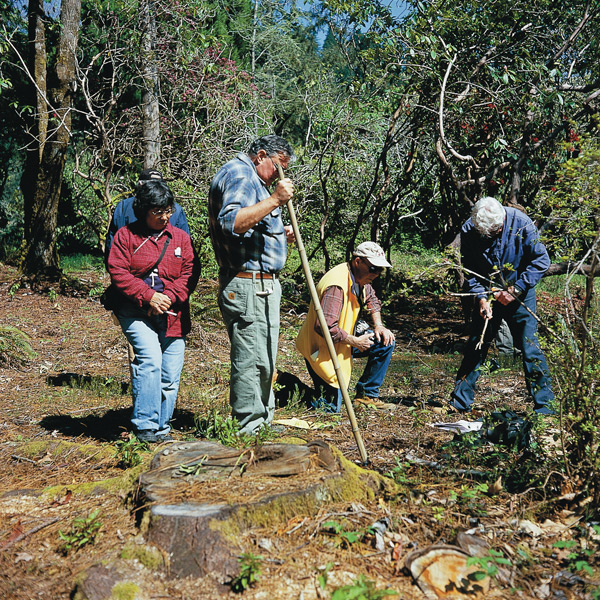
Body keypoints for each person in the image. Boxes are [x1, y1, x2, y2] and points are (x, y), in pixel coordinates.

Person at [208, 134, 295, 435]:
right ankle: (249, 427)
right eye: (278, 167)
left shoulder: (250, 179)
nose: (279, 176)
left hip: (260, 283)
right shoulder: (243, 175)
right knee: (251, 358)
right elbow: (231, 222)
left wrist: (278, 235)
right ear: (261, 156)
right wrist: (275, 201)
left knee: (264, 356)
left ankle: (262, 420)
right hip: (248, 285)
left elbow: (250, 227)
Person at [108, 180, 198, 442]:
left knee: (170, 373)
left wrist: (169, 297)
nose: (164, 217)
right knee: (150, 361)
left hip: (174, 315)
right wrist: (148, 296)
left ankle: (162, 428)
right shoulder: (125, 236)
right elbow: (118, 272)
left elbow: (190, 272)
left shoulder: (180, 238)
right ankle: (145, 427)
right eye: (157, 212)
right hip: (135, 311)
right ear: (143, 210)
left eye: (168, 210)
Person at [450, 196, 555, 415]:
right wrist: (481, 297)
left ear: (503, 219)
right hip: (489, 294)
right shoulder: (470, 229)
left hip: (520, 293)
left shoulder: (521, 222)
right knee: (476, 345)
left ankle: (545, 406)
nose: (492, 235)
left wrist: (517, 288)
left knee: (529, 347)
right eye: (487, 233)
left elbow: (541, 260)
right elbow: (469, 270)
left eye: (496, 230)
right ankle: (459, 402)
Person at [296, 242, 396, 413]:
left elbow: (371, 298)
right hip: (320, 349)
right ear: (358, 261)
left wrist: (379, 325)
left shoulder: (359, 278)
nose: (377, 274)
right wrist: (355, 341)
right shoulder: (337, 286)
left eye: (380, 270)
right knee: (330, 408)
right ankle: (284, 383)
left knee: (384, 342)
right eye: (373, 268)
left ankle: (366, 395)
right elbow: (325, 327)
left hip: (341, 343)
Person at [104, 168, 191, 266]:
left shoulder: (176, 210)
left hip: (164, 274)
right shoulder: (123, 207)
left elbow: (186, 250)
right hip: (134, 274)